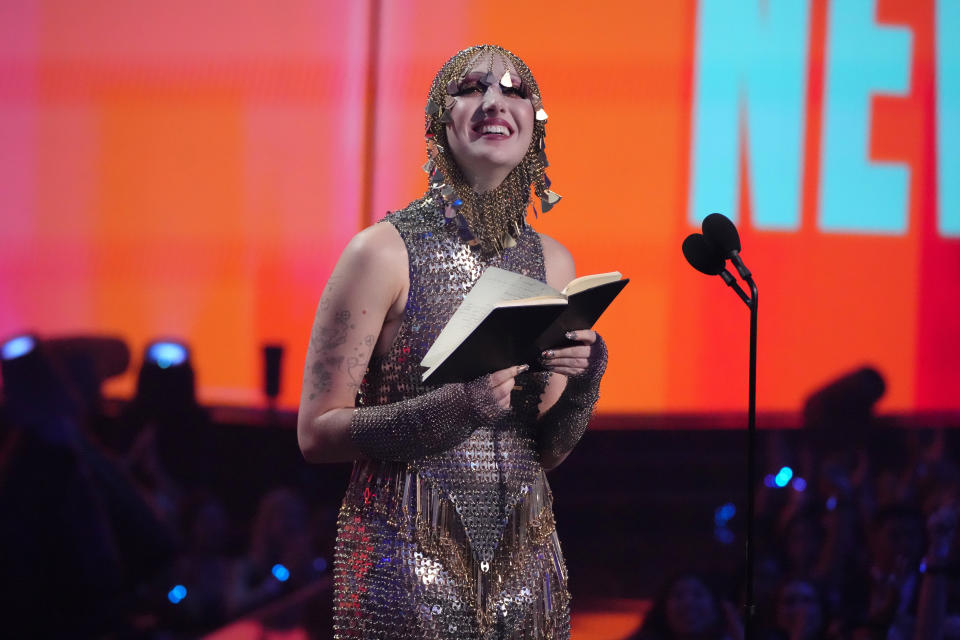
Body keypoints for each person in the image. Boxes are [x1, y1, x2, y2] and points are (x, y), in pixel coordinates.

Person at [297, 44, 608, 639]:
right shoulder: (381, 252)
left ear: (535, 122)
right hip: (405, 568)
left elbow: (545, 451)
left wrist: (585, 381)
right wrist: (458, 408)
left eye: (515, 90)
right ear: (439, 122)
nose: (494, 101)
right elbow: (316, 434)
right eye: (471, 88)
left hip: (527, 572)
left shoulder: (554, 262)